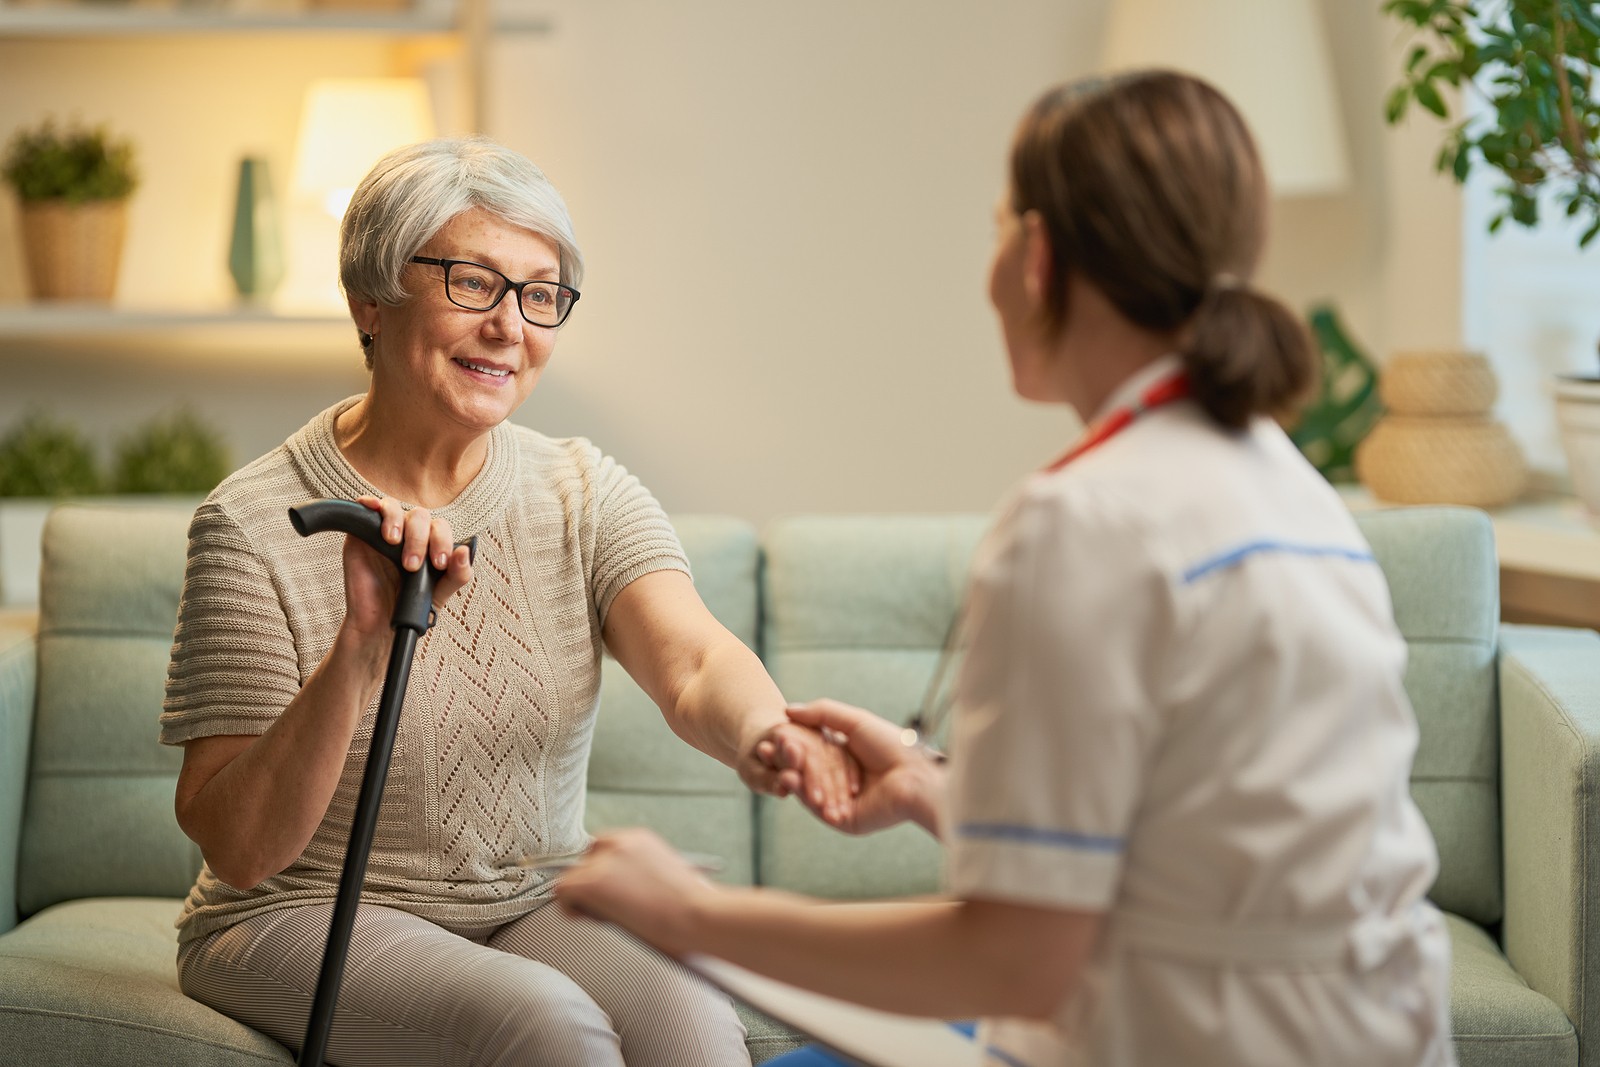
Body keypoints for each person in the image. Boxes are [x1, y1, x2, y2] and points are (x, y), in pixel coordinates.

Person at [556, 71, 1456, 1067]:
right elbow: (1215, 838)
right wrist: (938, 790)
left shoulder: (1085, 519)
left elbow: (1014, 960)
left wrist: (689, 913)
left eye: (995, 229)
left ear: (1036, 257)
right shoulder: (1288, 483)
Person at [158, 136, 856, 1067]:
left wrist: (771, 732)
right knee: (545, 1026)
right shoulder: (253, 522)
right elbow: (241, 848)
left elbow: (693, 660)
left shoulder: (582, 491)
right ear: (371, 298)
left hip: (532, 900)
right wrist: (363, 644)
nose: (511, 326)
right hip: (299, 912)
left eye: (540, 294)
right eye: (473, 282)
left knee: (690, 1022)